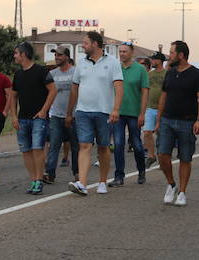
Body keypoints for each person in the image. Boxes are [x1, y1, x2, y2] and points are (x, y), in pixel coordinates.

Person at [65, 31, 124, 196]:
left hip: (104, 112)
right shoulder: (81, 63)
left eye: (85, 43)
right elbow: (75, 87)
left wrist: (116, 109)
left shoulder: (112, 62)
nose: (82, 46)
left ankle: (102, 181)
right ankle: (82, 184)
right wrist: (70, 111)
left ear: (95, 44)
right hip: (83, 111)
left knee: (103, 147)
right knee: (84, 145)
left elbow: (119, 87)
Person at [155, 40, 199, 207]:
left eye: (171, 53)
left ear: (181, 55)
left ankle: (182, 192)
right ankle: (171, 185)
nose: (168, 56)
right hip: (167, 120)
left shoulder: (196, 74)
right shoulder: (169, 73)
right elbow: (163, 96)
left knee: (185, 158)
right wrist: (158, 119)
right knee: (162, 155)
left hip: (187, 122)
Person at [10, 42, 56, 194]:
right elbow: (13, 96)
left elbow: (53, 91)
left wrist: (44, 111)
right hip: (22, 119)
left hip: (39, 118)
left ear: (23, 54)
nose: (14, 56)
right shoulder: (18, 74)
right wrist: (14, 116)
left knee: (37, 148)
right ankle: (33, 181)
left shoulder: (41, 71)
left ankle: (38, 180)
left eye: (16, 53)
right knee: (26, 150)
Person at [109, 42, 149, 187]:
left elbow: (145, 92)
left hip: (134, 113)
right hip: (118, 113)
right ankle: (119, 176)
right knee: (118, 143)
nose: (122, 54)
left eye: (125, 51)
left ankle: (141, 171)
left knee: (137, 144)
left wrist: (142, 113)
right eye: (120, 52)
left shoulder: (140, 70)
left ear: (132, 53)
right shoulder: (115, 68)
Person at [45, 46, 79, 184]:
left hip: (74, 115)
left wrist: (70, 114)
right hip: (55, 115)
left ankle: (77, 173)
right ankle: (50, 173)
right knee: (54, 145)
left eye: (59, 55)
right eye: (55, 55)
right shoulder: (52, 74)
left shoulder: (76, 72)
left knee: (75, 146)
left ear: (66, 56)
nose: (56, 57)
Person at [143, 51, 167, 169]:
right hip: (150, 108)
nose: (151, 61)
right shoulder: (149, 75)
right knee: (147, 132)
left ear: (159, 60)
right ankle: (151, 156)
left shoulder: (167, 74)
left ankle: (163, 159)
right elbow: (145, 90)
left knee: (162, 135)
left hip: (163, 109)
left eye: (153, 59)